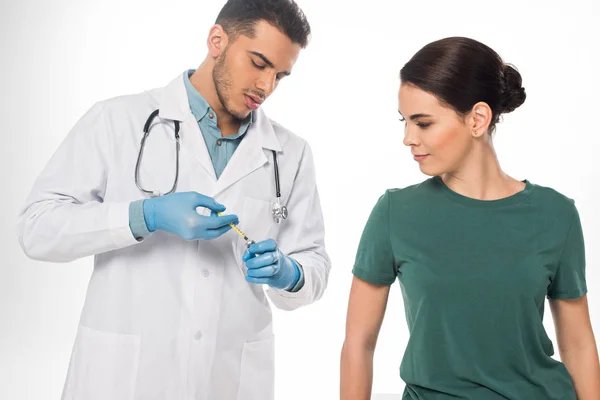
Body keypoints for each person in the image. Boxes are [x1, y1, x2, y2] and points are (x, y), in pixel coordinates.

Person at [16, 0, 331, 399]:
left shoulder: (291, 152)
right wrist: (143, 215)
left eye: (280, 76)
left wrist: (291, 273)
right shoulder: (117, 120)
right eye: (258, 63)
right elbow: (36, 228)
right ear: (217, 40)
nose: (266, 87)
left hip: (229, 376)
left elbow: (314, 261)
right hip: (124, 377)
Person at [340, 37, 600, 399]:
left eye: (423, 123)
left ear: (478, 119)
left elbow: (579, 345)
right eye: (405, 121)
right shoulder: (395, 214)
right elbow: (358, 343)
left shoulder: (556, 215)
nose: (407, 138)